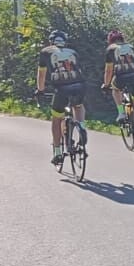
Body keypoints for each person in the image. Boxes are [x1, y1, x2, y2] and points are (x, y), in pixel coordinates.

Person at [35, 29, 87, 165]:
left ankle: (57, 152)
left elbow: (41, 75)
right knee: (78, 106)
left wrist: (40, 90)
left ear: (51, 42)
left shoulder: (45, 52)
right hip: (79, 85)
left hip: (61, 88)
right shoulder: (73, 52)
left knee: (56, 119)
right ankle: (81, 127)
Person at [102, 29, 134, 149]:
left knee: (115, 88)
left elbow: (109, 70)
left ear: (110, 41)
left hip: (121, 77)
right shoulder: (131, 47)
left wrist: (106, 84)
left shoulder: (111, 49)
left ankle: (121, 112)